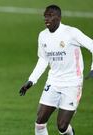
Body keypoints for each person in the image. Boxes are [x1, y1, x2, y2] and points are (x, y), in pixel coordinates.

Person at [19, 5, 93, 135]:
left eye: (50, 15)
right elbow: (43, 60)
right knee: (40, 122)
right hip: (53, 82)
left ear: (59, 17)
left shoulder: (71, 33)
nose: (46, 18)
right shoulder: (43, 36)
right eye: (45, 15)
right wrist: (31, 80)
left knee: (62, 126)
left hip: (72, 83)